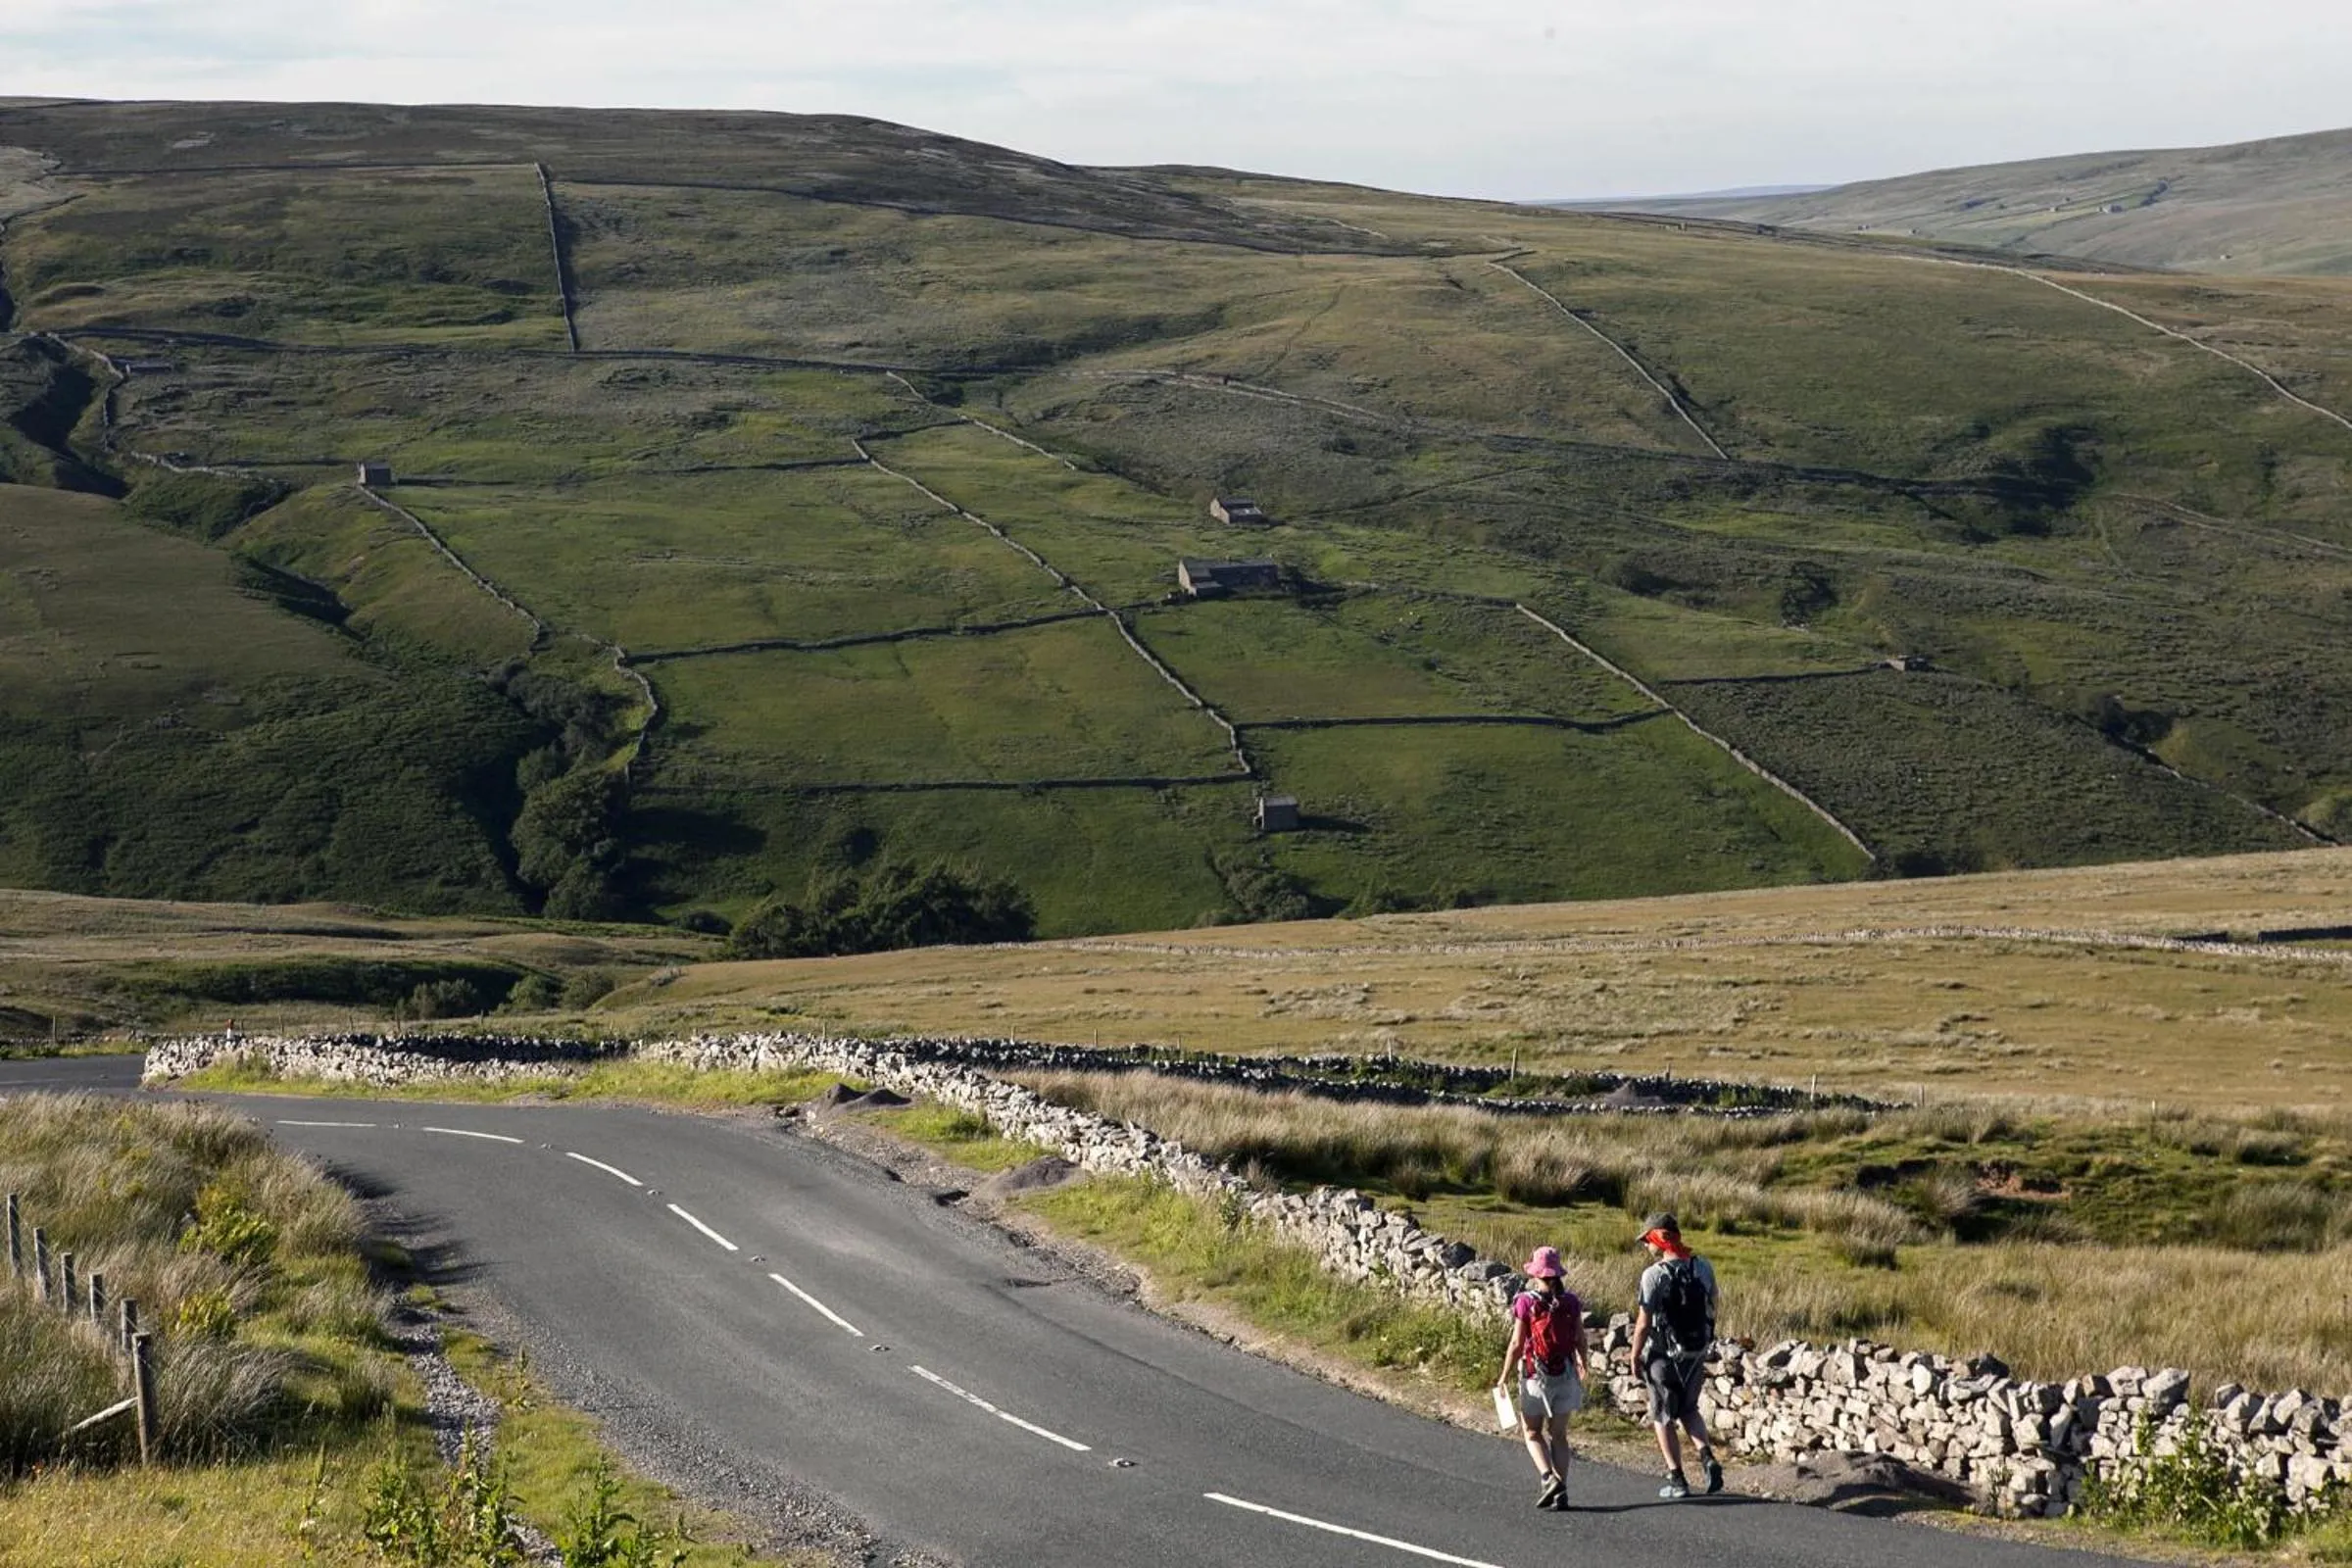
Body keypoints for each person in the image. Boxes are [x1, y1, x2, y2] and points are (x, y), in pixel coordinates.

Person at [1632, 1211, 1723, 1499]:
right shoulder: (1702, 1266)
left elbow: (1644, 1323)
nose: (1646, 1246)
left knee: (1662, 1415)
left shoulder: (1653, 1275)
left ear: (1658, 1239)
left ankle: (1678, 1479)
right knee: (1689, 1408)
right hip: (1695, 1352)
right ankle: (1707, 1458)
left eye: (1648, 1240)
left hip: (1663, 1355)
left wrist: (1635, 1355)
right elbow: (1714, 1302)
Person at [1495, 1245, 1587, 1510]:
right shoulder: (1571, 1302)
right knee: (1559, 1435)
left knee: (1532, 1431)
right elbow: (1580, 1338)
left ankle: (1548, 1478)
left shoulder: (1525, 1301)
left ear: (1536, 1274)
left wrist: (1503, 1376)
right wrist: (1583, 1362)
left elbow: (1516, 1343)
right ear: (1558, 1274)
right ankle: (1562, 1492)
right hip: (1566, 1375)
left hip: (1536, 1377)